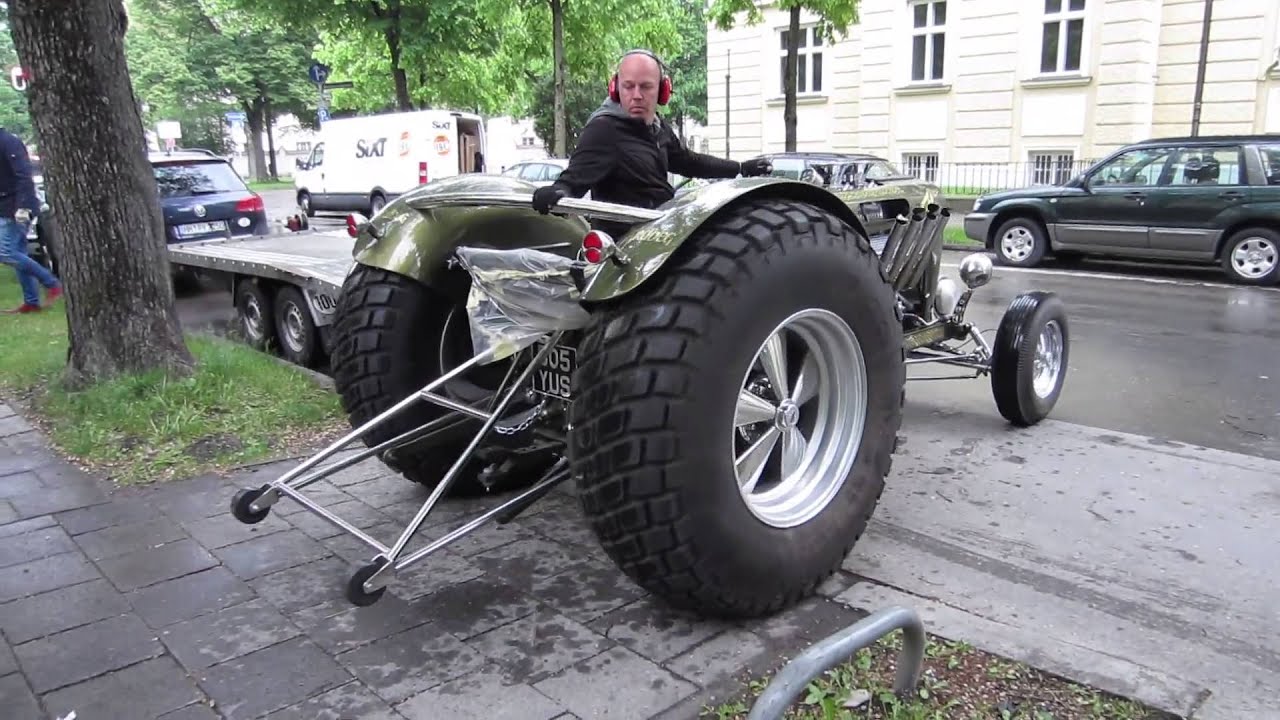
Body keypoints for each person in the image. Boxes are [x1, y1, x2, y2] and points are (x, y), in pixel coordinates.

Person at [531, 49, 773, 234]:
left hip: (660, 236)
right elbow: (573, 181)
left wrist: (739, 169)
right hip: (624, 253)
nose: (636, 95)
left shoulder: (658, 128)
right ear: (616, 89)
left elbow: (689, 161)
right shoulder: (603, 130)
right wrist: (557, 193)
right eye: (628, 86)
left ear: (662, 90)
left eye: (646, 87)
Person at [0, 126, 60, 314]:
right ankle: (31, 302)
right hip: (6, 206)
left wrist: (23, 207)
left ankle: (52, 283)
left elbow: (24, 175)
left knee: (6, 252)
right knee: (18, 253)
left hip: (16, 207)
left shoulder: (8, 142)